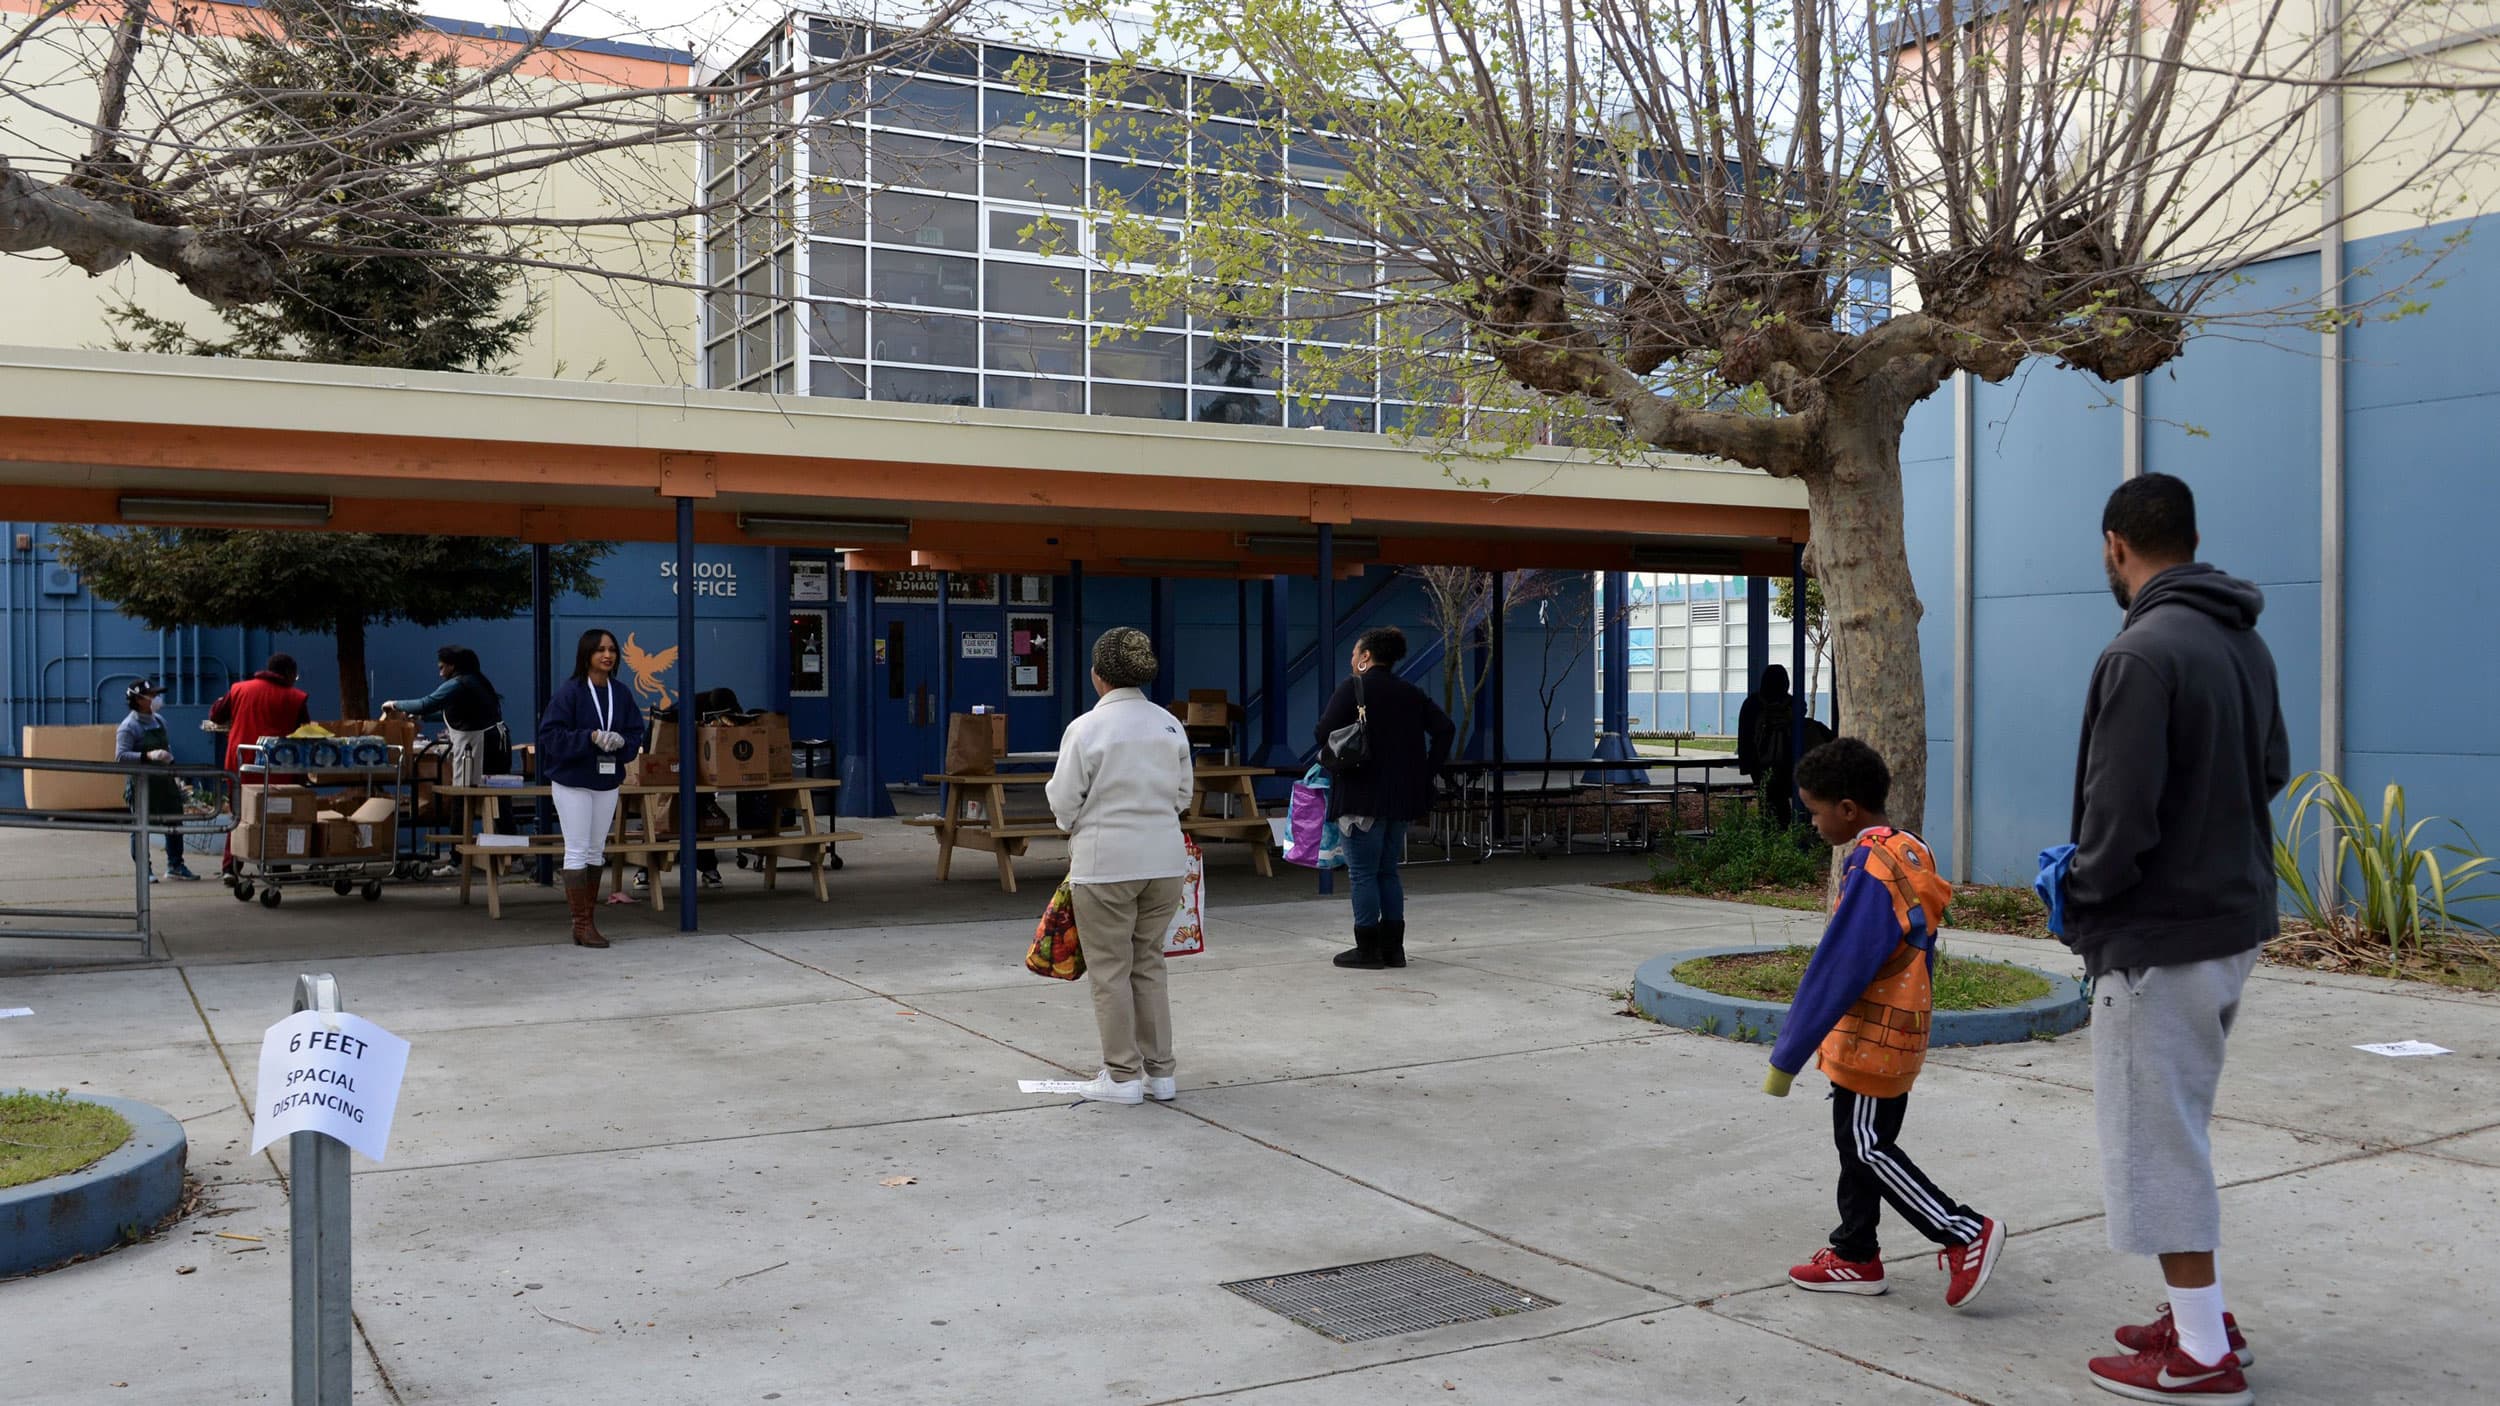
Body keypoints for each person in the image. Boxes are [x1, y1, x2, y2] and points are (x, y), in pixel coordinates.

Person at [2065, 474, 2285, 1405]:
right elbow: (2269, 770)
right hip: (2232, 920)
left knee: (2159, 1144)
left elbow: (2117, 821)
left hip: (2158, 936)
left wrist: (2075, 891)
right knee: (2176, 1130)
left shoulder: (2142, 651)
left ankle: (2200, 1356)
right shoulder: (2244, 639)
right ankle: (2199, 1315)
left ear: (2118, 545)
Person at [1765, 737, 2006, 1310]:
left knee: (1867, 1145)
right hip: (1888, 1032)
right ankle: (1855, 1254)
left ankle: (1963, 1232)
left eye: (1816, 811)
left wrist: (1787, 1056)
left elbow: (1840, 966)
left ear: (1848, 809)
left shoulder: (1874, 868)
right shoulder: (1908, 848)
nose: (1814, 823)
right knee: (1856, 1140)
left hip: (1875, 1036)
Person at [1045, 627, 1194, 1105]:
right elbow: (1183, 796)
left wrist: (1073, 824)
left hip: (1105, 861)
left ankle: (1122, 1075)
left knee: (1110, 969)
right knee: (1148, 962)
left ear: (1097, 676)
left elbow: (1064, 798)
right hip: (1165, 860)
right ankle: (1161, 1073)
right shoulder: (1170, 725)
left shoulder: (1087, 728)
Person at [1311, 626, 1454, 971]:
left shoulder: (1353, 688)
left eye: (1354, 653)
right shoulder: (1411, 692)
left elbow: (1322, 733)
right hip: (1401, 799)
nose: (1351, 659)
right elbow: (1445, 728)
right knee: (1388, 871)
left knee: (1362, 873)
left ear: (1365, 657)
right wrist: (1426, 769)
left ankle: (1367, 949)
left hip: (1361, 796)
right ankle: (1394, 949)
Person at [539, 628, 644, 949]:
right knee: (577, 848)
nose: (607, 655)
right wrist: (589, 737)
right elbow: (550, 736)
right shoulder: (570, 693)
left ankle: (588, 922)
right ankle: (582, 924)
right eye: (600, 650)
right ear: (586, 655)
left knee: (597, 850)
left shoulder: (621, 693)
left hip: (606, 780)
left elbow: (636, 730)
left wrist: (624, 741)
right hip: (573, 781)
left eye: (612, 649)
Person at [208, 653, 311, 874]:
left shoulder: (239, 689)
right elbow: (306, 731)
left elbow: (217, 714)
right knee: (280, 816)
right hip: (279, 769)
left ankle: (231, 866)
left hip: (240, 763)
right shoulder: (296, 697)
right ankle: (279, 866)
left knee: (239, 815)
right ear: (290, 674)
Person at [381, 645, 508, 788]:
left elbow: (426, 704)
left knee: (471, 791)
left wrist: (395, 704)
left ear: (452, 666)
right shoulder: (475, 681)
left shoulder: (458, 684)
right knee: (491, 792)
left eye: (442, 667)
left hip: (481, 746)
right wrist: (421, 717)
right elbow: (457, 714)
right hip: (494, 742)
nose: (440, 674)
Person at [116, 680, 197, 882]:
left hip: (165, 781)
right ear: (137, 699)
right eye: (150, 695)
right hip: (143, 784)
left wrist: (173, 766)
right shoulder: (128, 727)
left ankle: (176, 865)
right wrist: (148, 756)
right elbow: (120, 757)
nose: (155, 699)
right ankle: (144, 870)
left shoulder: (159, 720)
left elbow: (166, 748)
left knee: (174, 821)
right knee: (142, 826)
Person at [1737, 664, 1831, 830]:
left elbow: (1745, 737)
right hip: (1789, 764)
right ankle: (1799, 833)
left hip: (1762, 765)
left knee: (1771, 805)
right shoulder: (1792, 705)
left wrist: (1747, 765)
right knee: (1794, 803)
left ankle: (1774, 835)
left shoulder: (1752, 705)